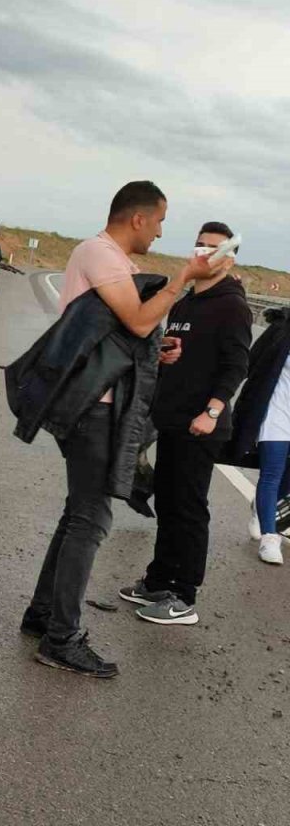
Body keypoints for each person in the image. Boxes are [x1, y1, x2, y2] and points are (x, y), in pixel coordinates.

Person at [8, 181, 216, 678]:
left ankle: (43, 615)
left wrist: (155, 352)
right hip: (92, 410)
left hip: (100, 406)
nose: (162, 231)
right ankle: (62, 638)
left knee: (77, 515)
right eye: (161, 221)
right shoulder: (100, 254)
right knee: (91, 520)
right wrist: (182, 279)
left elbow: (128, 336)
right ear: (138, 218)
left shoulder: (117, 264)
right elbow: (140, 321)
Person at [118, 223, 249, 625]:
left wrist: (210, 413)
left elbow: (236, 366)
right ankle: (158, 581)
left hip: (201, 425)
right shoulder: (186, 301)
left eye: (212, 248)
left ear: (227, 258)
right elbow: (174, 349)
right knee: (169, 503)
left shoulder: (233, 305)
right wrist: (163, 354)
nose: (203, 252)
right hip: (171, 419)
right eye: (199, 245)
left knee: (189, 509)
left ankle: (184, 595)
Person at [225, 306, 290, 564]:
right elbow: (250, 362)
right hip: (277, 410)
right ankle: (269, 538)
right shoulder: (281, 328)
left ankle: (262, 507)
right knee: (271, 472)